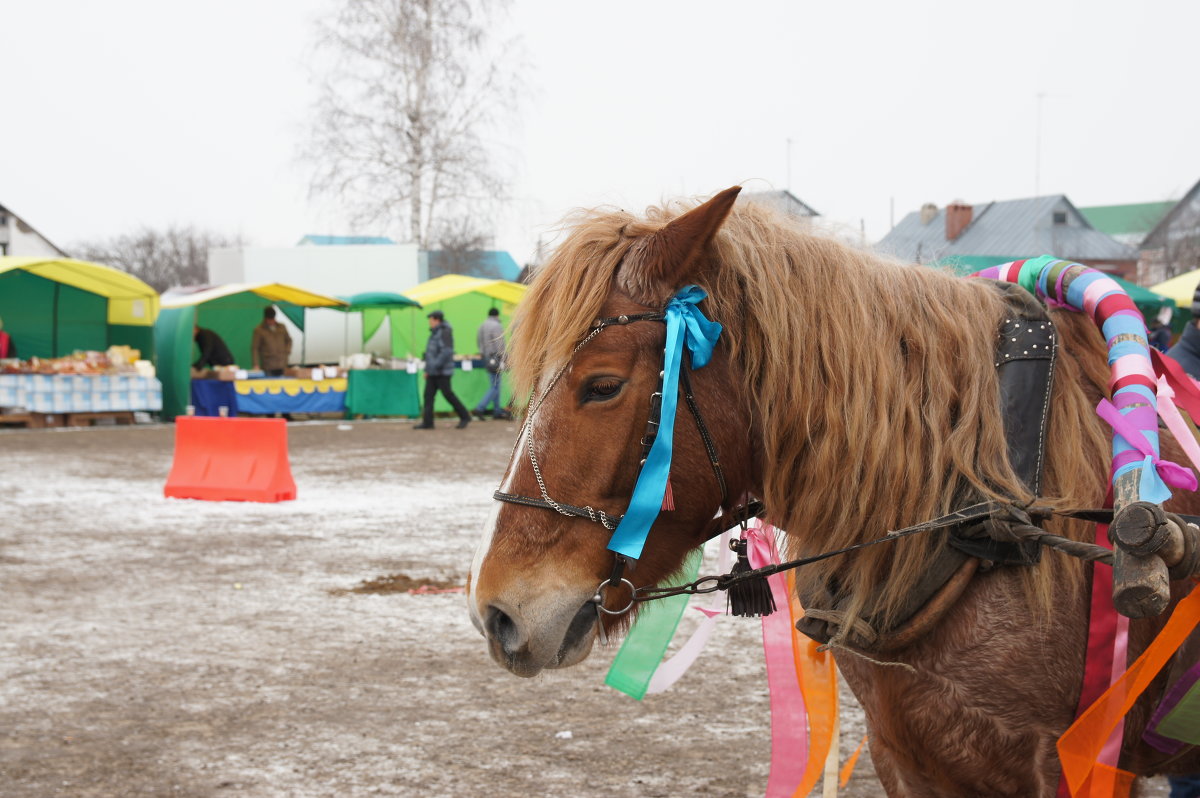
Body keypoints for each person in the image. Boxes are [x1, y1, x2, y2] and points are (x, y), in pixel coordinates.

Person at [415, 310, 470, 429]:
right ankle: (428, 422)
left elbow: (446, 351)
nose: (429, 322)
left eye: (431, 320)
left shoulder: (445, 332)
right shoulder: (435, 333)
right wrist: (428, 370)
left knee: (448, 395)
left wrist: (434, 365)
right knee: (428, 396)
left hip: (442, 371)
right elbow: (430, 353)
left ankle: (464, 416)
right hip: (433, 372)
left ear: (437, 320)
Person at [472, 307, 510, 420]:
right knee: (495, 386)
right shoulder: (496, 326)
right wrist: (505, 359)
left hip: (486, 358)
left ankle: (497, 411)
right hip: (496, 359)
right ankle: (480, 408)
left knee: (495, 384)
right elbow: (500, 344)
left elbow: (478, 342)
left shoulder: (482, 326)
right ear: (497, 315)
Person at [251, 307, 292, 377]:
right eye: (269, 319)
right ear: (265, 318)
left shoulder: (282, 327)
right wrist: (256, 364)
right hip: (268, 366)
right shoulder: (259, 330)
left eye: (272, 319)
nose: (271, 321)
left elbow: (289, 340)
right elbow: (255, 348)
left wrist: (287, 351)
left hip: (282, 364)